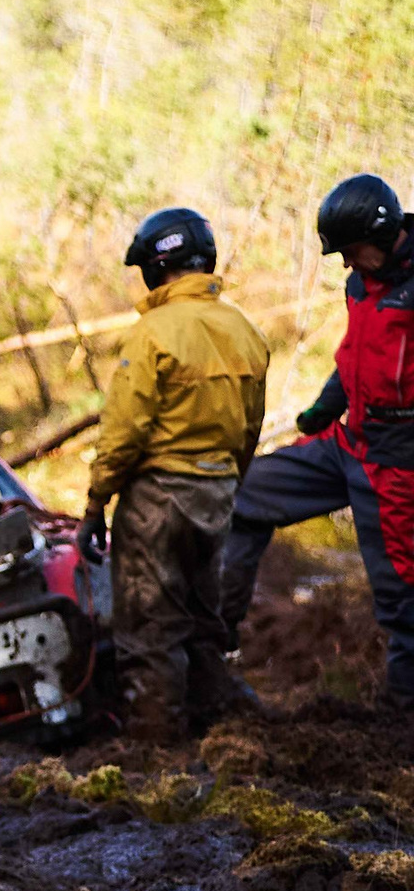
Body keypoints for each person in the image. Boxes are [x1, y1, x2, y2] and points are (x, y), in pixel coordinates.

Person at [217, 174, 414, 710]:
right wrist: (328, 405)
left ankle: (402, 713)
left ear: (385, 231)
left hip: (398, 462)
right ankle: (216, 642)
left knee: (402, 595)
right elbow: (356, 353)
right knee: (246, 493)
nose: (348, 264)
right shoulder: (362, 286)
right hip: (346, 443)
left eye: (352, 251)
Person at [78, 206, 267, 740]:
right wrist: (228, 483)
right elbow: (248, 429)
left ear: (154, 267)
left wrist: (96, 506)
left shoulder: (152, 333)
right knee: (204, 622)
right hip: (218, 492)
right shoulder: (245, 331)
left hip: (158, 499)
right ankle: (227, 740)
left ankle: (159, 758)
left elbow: (123, 433)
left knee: (149, 632)